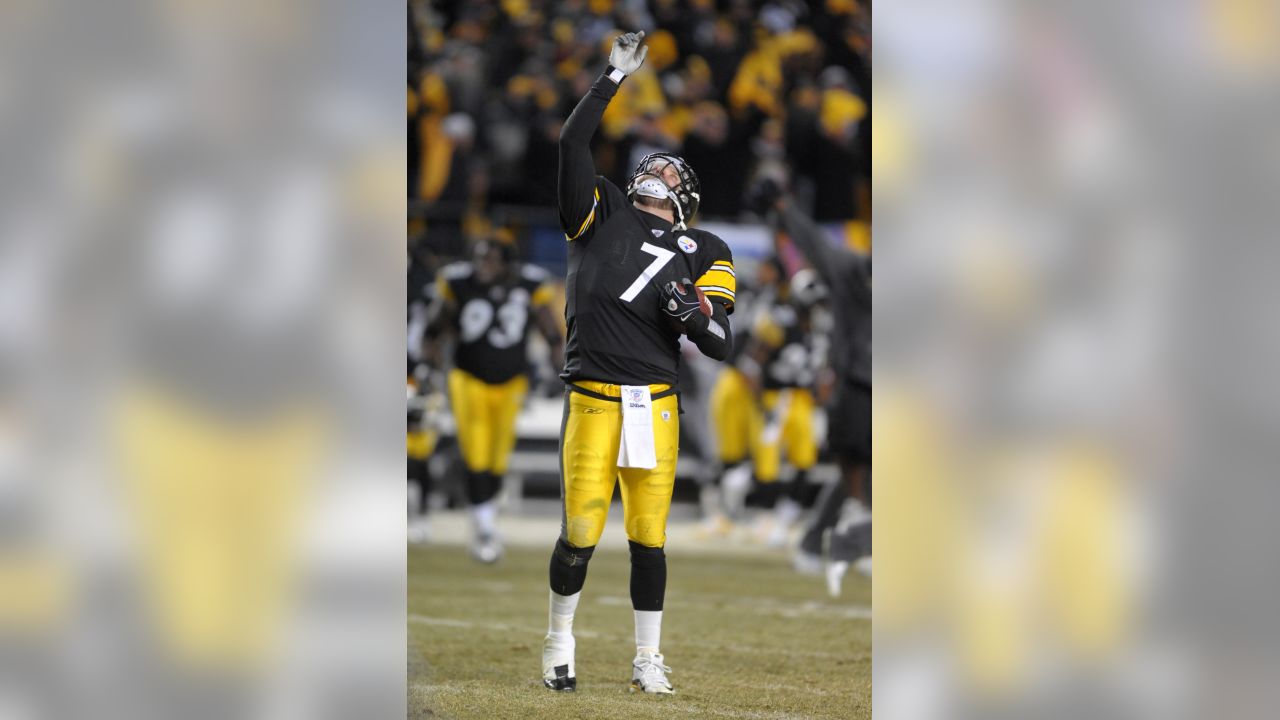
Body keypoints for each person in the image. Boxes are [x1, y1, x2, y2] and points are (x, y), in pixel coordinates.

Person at [542, 31, 736, 695]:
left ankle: (646, 658)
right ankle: (559, 639)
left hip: (652, 400)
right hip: (594, 395)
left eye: (675, 174)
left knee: (649, 538)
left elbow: (721, 343)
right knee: (580, 530)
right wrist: (611, 79)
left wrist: (693, 317)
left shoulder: (705, 245)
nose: (665, 172)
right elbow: (571, 145)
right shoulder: (602, 210)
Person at [751, 179, 871, 595]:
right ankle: (849, 540)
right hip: (857, 384)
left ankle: (831, 540)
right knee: (861, 470)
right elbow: (813, 242)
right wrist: (784, 208)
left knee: (866, 474)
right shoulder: (851, 271)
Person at [428, 238, 563, 563]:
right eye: (479, 259)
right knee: (476, 452)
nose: (482, 267)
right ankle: (485, 526)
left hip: (511, 380)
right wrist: (427, 367)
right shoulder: (458, 282)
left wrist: (561, 365)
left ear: (508, 264)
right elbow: (437, 327)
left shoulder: (529, 284)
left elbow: (550, 330)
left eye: (490, 261)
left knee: (498, 456)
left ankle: (484, 518)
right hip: (468, 377)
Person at [742, 268, 829, 548]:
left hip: (804, 399)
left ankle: (785, 517)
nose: (817, 310)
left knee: (806, 460)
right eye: (813, 304)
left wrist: (821, 400)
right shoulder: (779, 322)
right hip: (776, 397)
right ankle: (764, 518)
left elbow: (824, 370)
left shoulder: (821, 329)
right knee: (767, 462)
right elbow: (751, 364)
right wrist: (759, 404)